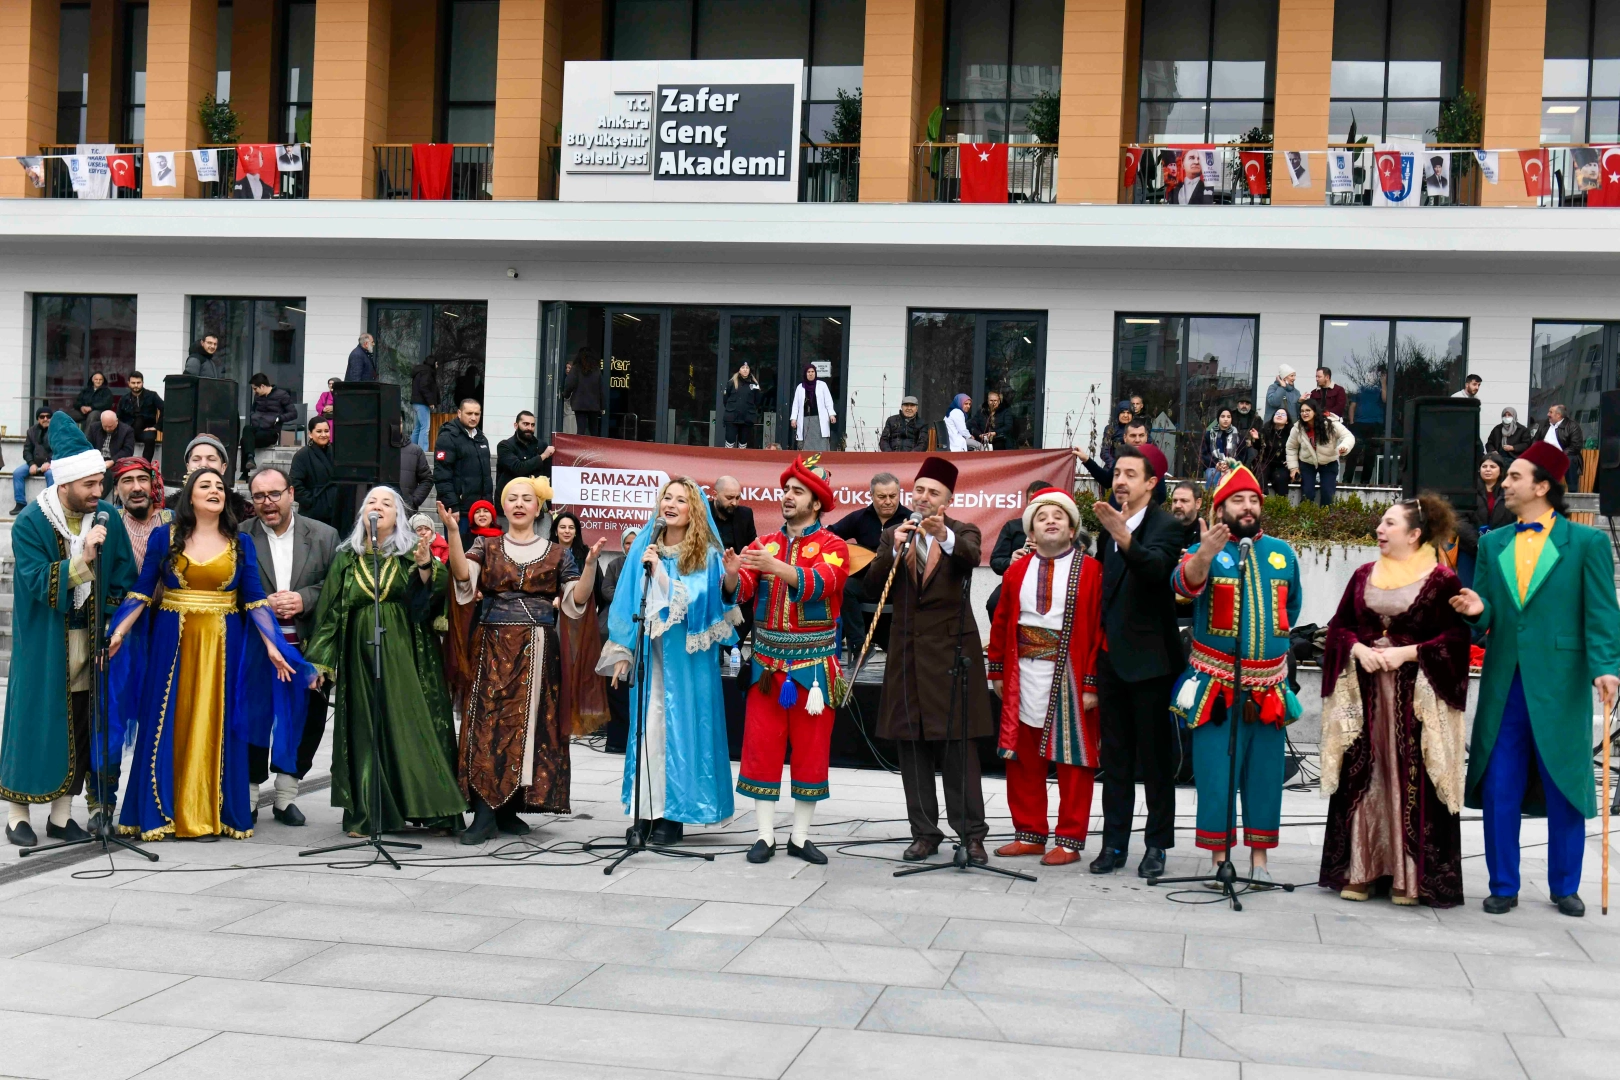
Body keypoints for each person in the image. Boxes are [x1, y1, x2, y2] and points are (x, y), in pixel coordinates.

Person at [1449, 443, 1620, 917]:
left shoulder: (1586, 543)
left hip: (1561, 684)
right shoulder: (1492, 543)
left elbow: (1602, 612)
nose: (1504, 482)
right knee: (1500, 785)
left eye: (1515, 476)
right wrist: (1477, 610)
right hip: (1505, 682)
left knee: (1564, 782)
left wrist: (1606, 666)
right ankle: (1503, 884)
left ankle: (1565, 885)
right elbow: (1486, 613)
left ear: (1542, 486)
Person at [108, 468, 315, 840]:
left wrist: (273, 646)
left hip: (224, 644)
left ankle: (212, 813)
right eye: (205, 485)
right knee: (166, 720)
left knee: (217, 719)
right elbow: (142, 590)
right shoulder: (164, 536)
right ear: (190, 495)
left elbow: (254, 600)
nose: (214, 490)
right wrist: (119, 632)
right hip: (172, 642)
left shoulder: (240, 543)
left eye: (219, 486)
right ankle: (161, 812)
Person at [1319, 494, 1470, 907]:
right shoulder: (1363, 574)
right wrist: (1356, 649)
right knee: (1363, 776)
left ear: (1415, 533)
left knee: (1411, 778)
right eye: (1381, 523)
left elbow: (1457, 639)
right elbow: (1338, 627)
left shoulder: (1441, 580)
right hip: (1366, 696)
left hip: (1413, 701)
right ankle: (1361, 869)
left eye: (1389, 523)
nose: (1380, 530)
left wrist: (1408, 653)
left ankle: (1410, 876)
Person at [443, 479, 608, 845]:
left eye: (526, 499)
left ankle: (509, 807)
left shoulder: (557, 553)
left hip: (538, 646)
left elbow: (576, 600)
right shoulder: (486, 545)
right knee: (486, 722)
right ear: (504, 507)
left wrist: (590, 565)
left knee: (531, 723)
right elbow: (463, 577)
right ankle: (485, 810)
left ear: (538, 508)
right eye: (512, 499)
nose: (519, 504)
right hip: (491, 643)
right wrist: (453, 533)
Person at [2, 414, 137, 846]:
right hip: (44, 644)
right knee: (32, 724)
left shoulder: (107, 517)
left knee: (79, 725)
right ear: (64, 484)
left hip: (92, 641)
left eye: (101, 483)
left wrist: (112, 623)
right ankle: (17, 816)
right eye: (90, 485)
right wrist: (83, 560)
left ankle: (61, 817)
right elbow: (36, 581)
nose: (99, 492)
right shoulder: (31, 523)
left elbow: (124, 576)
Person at [305, 485, 466, 837]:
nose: (377, 508)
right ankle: (371, 812)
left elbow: (435, 594)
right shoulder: (346, 558)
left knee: (412, 725)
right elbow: (331, 610)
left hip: (407, 652)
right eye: (371, 502)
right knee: (366, 729)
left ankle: (434, 809)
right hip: (359, 655)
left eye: (386, 503)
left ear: (398, 516)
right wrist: (319, 659)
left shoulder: (411, 552)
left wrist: (425, 567)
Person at [1170, 466, 1301, 886]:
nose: (1248, 507)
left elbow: (1291, 608)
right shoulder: (1202, 550)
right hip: (1217, 687)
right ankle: (1219, 859)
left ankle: (1260, 862)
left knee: (1265, 776)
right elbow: (1183, 586)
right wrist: (1205, 554)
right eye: (1238, 500)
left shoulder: (1283, 553)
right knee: (1216, 774)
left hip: (1269, 688)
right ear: (1220, 508)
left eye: (1253, 500)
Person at [598, 478, 739, 844]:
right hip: (651, 654)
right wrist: (623, 650)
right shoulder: (645, 546)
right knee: (648, 729)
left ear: (694, 510)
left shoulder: (706, 553)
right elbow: (628, 599)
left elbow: (700, 603)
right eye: (667, 498)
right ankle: (646, 811)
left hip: (688, 660)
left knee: (681, 730)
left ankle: (675, 815)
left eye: (681, 500)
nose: (671, 504)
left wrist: (661, 573)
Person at [868, 457, 992, 864]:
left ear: (947, 500)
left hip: (952, 657)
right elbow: (871, 585)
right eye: (919, 490)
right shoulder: (893, 534)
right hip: (907, 655)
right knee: (912, 747)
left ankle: (971, 836)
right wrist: (893, 549)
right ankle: (924, 833)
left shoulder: (963, 531)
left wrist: (945, 537)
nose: (923, 497)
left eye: (932, 493)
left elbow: (969, 557)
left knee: (958, 750)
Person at [732, 457, 849, 864]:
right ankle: (764, 835)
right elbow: (740, 591)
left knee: (811, 751)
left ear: (816, 503)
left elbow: (823, 583)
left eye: (797, 491)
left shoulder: (834, 546)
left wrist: (775, 566)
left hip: (813, 668)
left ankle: (800, 837)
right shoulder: (762, 544)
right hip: (766, 666)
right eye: (786, 490)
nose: (787, 496)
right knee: (760, 748)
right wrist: (730, 573)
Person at [987, 487, 1102, 866]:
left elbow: (1099, 629)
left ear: (1071, 529)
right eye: (1041, 517)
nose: (1050, 521)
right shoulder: (1016, 570)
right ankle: (1029, 834)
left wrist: (1091, 682)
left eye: (1058, 516)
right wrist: (997, 668)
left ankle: (1069, 840)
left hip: (1071, 675)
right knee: (1022, 758)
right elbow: (1003, 620)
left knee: (1073, 762)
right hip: (1023, 674)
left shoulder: (1092, 571)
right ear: (1031, 532)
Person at [1088, 443, 1183, 878]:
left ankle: (1157, 845)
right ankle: (1113, 844)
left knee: (1156, 761)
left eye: (1130, 474)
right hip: (1111, 661)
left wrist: (1124, 536)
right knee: (1116, 760)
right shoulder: (1110, 526)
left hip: (1151, 663)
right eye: (1117, 473)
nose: (1120, 481)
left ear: (1151, 483)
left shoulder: (1167, 525)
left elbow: (1156, 570)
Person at [244, 466, 340, 827]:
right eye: (259, 496)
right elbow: (228, 588)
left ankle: (286, 797)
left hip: (307, 647)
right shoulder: (240, 536)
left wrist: (304, 599)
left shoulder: (325, 535)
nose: (267, 503)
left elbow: (336, 588)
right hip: (256, 647)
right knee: (253, 719)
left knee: (308, 721)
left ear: (291, 494)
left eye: (274, 494)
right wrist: (259, 603)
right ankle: (249, 796)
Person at [828, 471, 906, 657]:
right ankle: (860, 645)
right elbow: (829, 536)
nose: (888, 501)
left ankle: (901, 649)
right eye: (882, 497)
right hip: (868, 581)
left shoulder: (909, 519)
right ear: (871, 496)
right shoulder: (860, 517)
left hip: (899, 584)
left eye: (892, 496)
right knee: (846, 587)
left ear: (899, 494)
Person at [984, 479, 1051, 625]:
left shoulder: (1056, 527)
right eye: (1032, 500)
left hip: (1049, 583)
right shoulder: (1012, 527)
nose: (1036, 504)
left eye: (1041, 500)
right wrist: (1011, 561)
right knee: (993, 604)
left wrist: (1045, 550)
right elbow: (996, 561)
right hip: (1016, 582)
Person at [434, 398, 493, 547]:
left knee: (480, 553)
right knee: (457, 554)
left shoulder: (481, 438)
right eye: (469, 413)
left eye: (477, 414)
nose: (473, 417)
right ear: (459, 413)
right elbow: (442, 476)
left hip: (480, 511)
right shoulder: (447, 437)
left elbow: (486, 477)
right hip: (459, 512)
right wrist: (452, 506)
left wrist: (488, 506)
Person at [711, 475, 757, 649]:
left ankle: (732, 648)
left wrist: (741, 562)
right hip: (707, 574)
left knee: (751, 597)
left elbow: (751, 547)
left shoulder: (745, 514)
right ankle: (718, 649)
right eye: (729, 498)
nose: (734, 502)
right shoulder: (702, 513)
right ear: (715, 494)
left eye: (738, 497)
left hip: (736, 573)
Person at [110, 457, 172, 571]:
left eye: (143, 479)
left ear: (152, 484)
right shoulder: (111, 523)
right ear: (116, 489)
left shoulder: (174, 520)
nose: (137, 488)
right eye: (127, 481)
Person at [1288, 400, 1354, 506]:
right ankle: (1305, 516)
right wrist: (1293, 468)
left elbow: (1348, 436)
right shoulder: (1298, 427)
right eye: (1302, 411)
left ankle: (1325, 516)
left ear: (1315, 411)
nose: (1304, 413)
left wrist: (1344, 447)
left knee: (1328, 494)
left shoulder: (1331, 423)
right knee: (1307, 494)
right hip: (1307, 463)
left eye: (1308, 410)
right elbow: (1291, 448)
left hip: (1329, 462)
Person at [241, 373, 296, 479]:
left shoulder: (282, 395)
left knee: (244, 440)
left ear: (262, 386)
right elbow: (253, 410)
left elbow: (293, 413)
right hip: (257, 429)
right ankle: (250, 458)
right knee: (247, 429)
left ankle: (245, 473)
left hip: (271, 432)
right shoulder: (258, 396)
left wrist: (278, 418)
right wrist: (253, 416)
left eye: (255, 388)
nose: (254, 391)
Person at [287, 417, 338, 528]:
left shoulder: (337, 452)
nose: (323, 435)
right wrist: (312, 502)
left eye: (326, 431)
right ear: (310, 434)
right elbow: (295, 483)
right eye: (319, 431)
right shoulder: (302, 455)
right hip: (313, 513)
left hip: (336, 510)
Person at [496, 410, 553, 497]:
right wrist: (543, 456)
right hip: (509, 498)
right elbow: (518, 468)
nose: (529, 428)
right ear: (516, 425)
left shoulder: (541, 445)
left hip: (534, 498)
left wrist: (549, 501)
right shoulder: (504, 446)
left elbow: (548, 475)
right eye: (525, 424)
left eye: (532, 425)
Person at [12, 408, 53, 514]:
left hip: (51, 464)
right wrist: (31, 463)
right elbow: (27, 451)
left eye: (48, 416)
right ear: (38, 419)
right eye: (42, 417)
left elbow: (59, 450)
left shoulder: (57, 431)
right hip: (35, 462)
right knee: (17, 473)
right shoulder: (31, 431)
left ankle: (51, 503)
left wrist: (49, 462)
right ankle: (20, 503)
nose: (45, 419)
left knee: (51, 474)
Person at [1532, 404, 1584, 489]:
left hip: (1563, 455)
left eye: (1550, 412)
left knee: (1571, 459)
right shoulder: (1544, 424)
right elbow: (1535, 440)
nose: (1548, 414)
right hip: (1544, 455)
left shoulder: (1572, 426)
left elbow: (1576, 446)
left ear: (1558, 415)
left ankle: (1573, 491)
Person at [115, 371, 163, 460]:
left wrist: (156, 427)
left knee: (149, 439)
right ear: (129, 383)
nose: (136, 385)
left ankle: (145, 465)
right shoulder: (124, 399)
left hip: (147, 429)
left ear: (142, 383)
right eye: (133, 383)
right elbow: (118, 417)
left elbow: (165, 409)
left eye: (138, 382)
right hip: (129, 430)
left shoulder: (152, 395)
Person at [790, 363, 836, 451]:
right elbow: (795, 405)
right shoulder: (800, 387)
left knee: (821, 443)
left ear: (815, 373)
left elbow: (828, 401)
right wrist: (793, 419)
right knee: (806, 444)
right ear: (805, 374)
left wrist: (831, 414)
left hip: (819, 420)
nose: (811, 374)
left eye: (812, 372)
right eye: (808, 372)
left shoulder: (822, 385)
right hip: (805, 420)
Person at [1200, 407, 1245, 488]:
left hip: (1232, 466)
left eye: (1228, 417)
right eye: (1223, 416)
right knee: (1213, 475)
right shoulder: (1209, 435)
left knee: (1234, 477)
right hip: (1213, 466)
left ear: (1231, 419)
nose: (1226, 419)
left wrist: (1229, 464)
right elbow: (1204, 454)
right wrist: (1217, 463)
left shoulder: (1237, 436)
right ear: (1218, 418)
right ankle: (1212, 496)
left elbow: (1242, 455)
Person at [563, 348, 604, 436]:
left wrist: (566, 394)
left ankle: (580, 445)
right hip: (594, 404)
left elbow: (569, 384)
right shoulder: (596, 370)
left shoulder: (575, 369)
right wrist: (602, 406)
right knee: (594, 431)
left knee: (580, 430)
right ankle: (593, 445)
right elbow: (601, 389)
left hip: (579, 403)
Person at [722, 363, 763, 448]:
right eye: (743, 367)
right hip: (732, 417)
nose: (745, 370)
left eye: (747, 368)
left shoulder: (754, 384)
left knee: (743, 442)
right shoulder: (731, 383)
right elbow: (725, 400)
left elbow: (757, 401)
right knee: (730, 441)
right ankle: (728, 457)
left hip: (747, 418)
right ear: (739, 370)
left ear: (749, 370)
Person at [1254, 409, 1292, 496]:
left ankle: (1281, 502)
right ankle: (1262, 498)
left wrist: (1292, 461)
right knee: (1261, 472)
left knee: (1280, 478)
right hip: (1266, 462)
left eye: (1283, 414)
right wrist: (1257, 439)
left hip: (1282, 464)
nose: (1279, 415)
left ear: (1287, 421)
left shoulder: (1291, 433)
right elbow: (1258, 448)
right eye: (1277, 413)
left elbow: (1296, 449)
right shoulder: (1265, 430)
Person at [399, 435, 434, 513]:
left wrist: (413, 501)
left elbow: (427, 479)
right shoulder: (375, 449)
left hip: (406, 512)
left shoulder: (416, 451)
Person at [410, 358, 437, 450]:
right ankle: (423, 452)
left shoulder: (419, 371)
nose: (437, 365)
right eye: (436, 363)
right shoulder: (427, 372)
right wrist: (430, 401)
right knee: (425, 428)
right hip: (422, 403)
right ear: (433, 363)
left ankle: (411, 450)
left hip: (416, 402)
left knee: (418, 428)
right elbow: (424, 387)